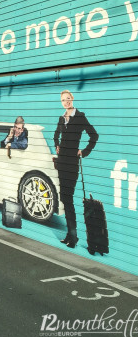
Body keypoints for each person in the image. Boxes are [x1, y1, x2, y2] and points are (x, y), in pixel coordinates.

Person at [54, 90, 98, 248]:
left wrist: (83, 152)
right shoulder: (62, 118)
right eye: (63, 100)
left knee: (68, 198)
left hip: (72, 162)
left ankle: (73, 237)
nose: (66, 102)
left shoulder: (80, 117)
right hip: (61, 162)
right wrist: (57, 145)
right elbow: (55, 134)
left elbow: (94, 135)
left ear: (72, 99)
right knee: (64, 199)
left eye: (68, 99)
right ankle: (69, 234)